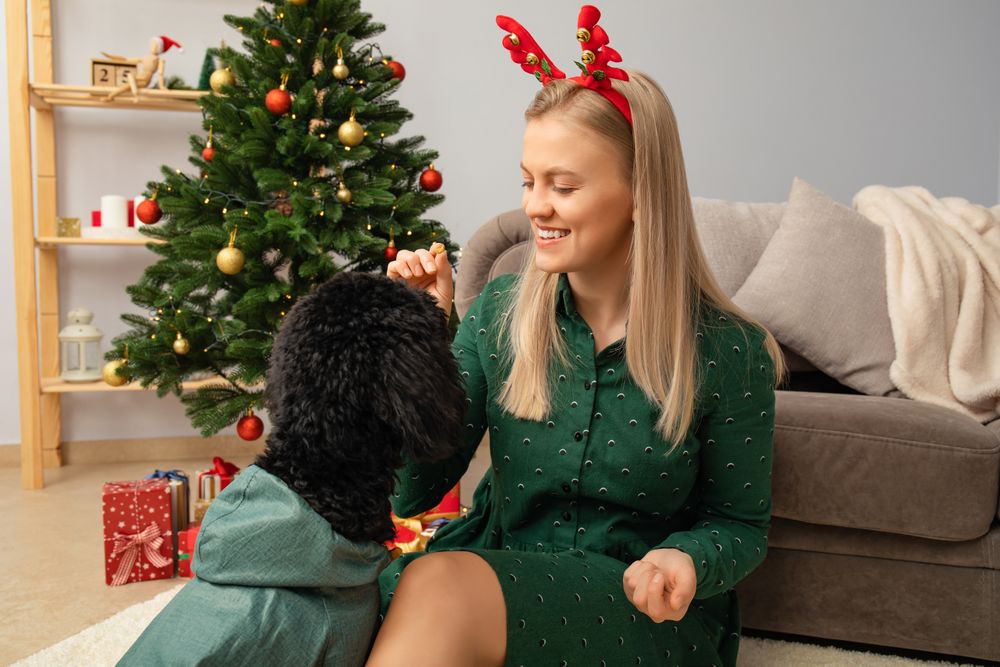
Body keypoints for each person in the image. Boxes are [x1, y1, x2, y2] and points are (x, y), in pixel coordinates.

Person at [368, 5, 787, 666]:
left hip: (636, 608)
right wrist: (418, 346)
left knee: (435, 588)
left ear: (642, 193)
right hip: (496, 571)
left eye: (563, 185)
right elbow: (409, 492)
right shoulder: (500, 313)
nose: (535, 205)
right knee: (373, 598)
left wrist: (686, 558)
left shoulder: (729, 351)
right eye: (529, 181)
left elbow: (739, 525)